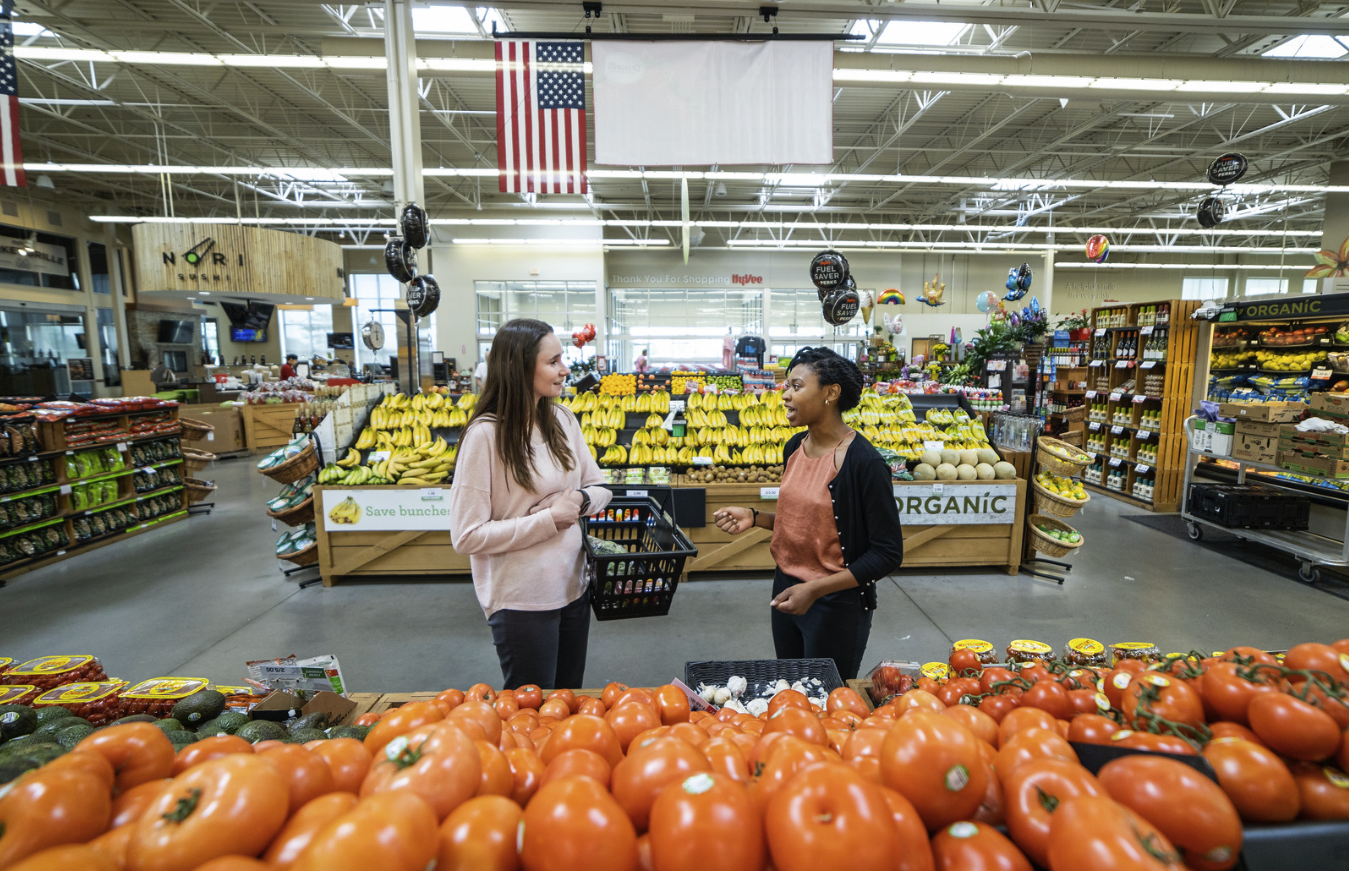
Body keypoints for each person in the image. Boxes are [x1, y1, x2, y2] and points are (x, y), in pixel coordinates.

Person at [712, 347, 903, 680]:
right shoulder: (794, 448)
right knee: (791, 690)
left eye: (796, 387)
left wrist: (815, 590)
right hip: (786, 591)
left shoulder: (864, 463)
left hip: (834, 604)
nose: (785, 395)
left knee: (825, 701)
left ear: (830, 393)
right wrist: (755, 517)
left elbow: (887, 553)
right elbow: (808, 523)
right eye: (786, 386)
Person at [450, 319, 613, 689]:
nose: (565, 370)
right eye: (553, 361)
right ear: (520, 367)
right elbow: (466, 536)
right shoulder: (485, 437)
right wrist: (549, 520)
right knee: (529, 716)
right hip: (521, 602)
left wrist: (579, 499)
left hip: (574, 589)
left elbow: (600, 487)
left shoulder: (562, 420)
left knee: (567, 702)